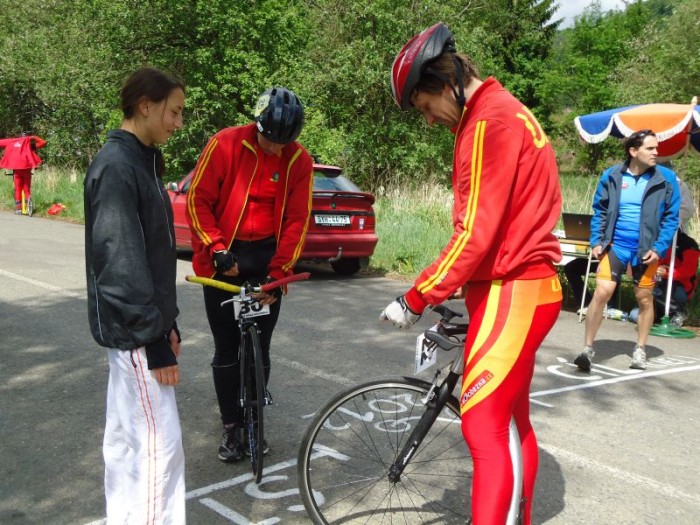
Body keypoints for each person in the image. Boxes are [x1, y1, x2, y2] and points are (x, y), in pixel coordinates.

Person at [382, 23, 563, 525]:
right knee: (507, 420)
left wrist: (416, 296)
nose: (428, 120)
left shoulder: (487, 121)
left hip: (515, 287)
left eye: (424, 107)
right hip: (520, 286)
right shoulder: (497, 113)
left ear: (445, 83)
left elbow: (475, 232)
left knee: (482, 423)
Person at [186, 86, 312, 462]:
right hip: (225, 254)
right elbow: (198, 200)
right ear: (257, 125)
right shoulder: (225, 144)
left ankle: (255, 421)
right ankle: (231, 427)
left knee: (262, 346)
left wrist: (279, 273)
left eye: (283, 143)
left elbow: (297, 220)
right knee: (227, 349)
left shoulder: (298, 161)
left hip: (266, 256)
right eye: (270, 141)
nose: (275, 149)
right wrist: (218, 248)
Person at [84, 67, 186, 524]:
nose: (178, 123)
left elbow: (153, 257)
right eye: (174, 111)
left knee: (129, 446)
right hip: (138, 340)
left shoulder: (140, 161)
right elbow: (120, 265)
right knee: (156, 453)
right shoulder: (117, 166)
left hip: (143, 331)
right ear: (145, 105)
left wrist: (170, 322)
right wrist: (156, 339)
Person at [575, 129, 680, 372]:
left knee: (644, 299)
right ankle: (587, 349)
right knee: (602, 292)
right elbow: (600, 210)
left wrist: (659, 247)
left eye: (656, 148)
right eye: (650, 149)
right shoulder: (612, 175)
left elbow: (671, 218)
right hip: (616, 246)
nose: (657, 152)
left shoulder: (665, 178)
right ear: (634, 151)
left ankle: (640, 349)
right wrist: (597, 241)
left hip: (646, 250)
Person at [650, 231, 699, 326]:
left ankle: (679, 311)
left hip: (680, 287)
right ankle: (661, 314)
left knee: (655, 291)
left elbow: (689, 270)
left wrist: (667, 272)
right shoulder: (656, 240)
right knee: (634, 316)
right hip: (656, 282)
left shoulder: (688, 244)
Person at [0, 132, 46, 214]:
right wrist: (33, 137)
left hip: (17, 171)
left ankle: (18, 209)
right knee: (27, 189)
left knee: (18, 189)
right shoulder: (30, 146)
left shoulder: (12, 142)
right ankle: (29, 207)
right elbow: (43, 143)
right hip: (27, 170)